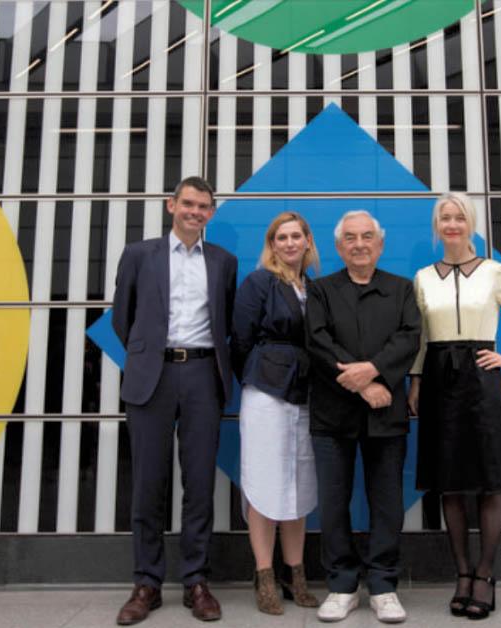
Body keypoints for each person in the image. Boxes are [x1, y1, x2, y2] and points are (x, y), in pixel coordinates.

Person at [111, 176, 238, 625]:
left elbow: (225, 319)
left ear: (210, 213)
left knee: (200, 483)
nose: (194, 212)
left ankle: (196, 582)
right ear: (171, 205)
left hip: (204, 374)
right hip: (153, 376)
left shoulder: (224, 262)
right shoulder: (139, 254)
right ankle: (146, 582)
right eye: (187, 203)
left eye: (203, 206)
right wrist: (150, 356)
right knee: (148, 483)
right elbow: (123, 319)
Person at [407, 192, 501, 620]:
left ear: (471, 223)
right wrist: (416, 381)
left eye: (459, 217)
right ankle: (462, 573)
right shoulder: (423, 277)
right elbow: (422, 339)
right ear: (436, 226)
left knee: (489, 479)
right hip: (439, 379)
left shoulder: (494, 271)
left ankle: (485, 574)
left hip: (482, 380)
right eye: (444, 217)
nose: (451, 224)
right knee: (450, 481)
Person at [306, 210, 421, 624]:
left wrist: (374, 373)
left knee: (387, 502)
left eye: (367, 236)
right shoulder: (319, 290)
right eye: (350, 238)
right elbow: (318, 342)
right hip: (333, 412)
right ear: (338, 247)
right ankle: (341, 585)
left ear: (380, 244)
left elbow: (409, 338)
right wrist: (362, 383)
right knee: (334, 503)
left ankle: (384, 585)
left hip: (385, 412)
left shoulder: (401, 289)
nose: (359, 244)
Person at [231, 212, 322, 615]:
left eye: (295, 236)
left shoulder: (313, 288)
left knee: (299, 482)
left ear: (307, 242)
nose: (288, 243)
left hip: (306, 392)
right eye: (280, 237)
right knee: (265, 480)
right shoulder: (259, 283)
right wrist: (259, 374)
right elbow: (241, 339)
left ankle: (295, 572)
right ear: (272, 244)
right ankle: (265, 574)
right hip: (267, 392)